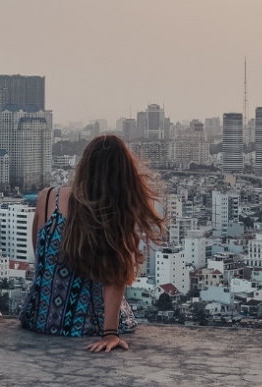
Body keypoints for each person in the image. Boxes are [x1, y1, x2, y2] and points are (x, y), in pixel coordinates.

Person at [19, 133, 166, 353]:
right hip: (90, 325)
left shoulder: (47, 198)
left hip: (39, 319)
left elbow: (39, 255)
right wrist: (110, 333)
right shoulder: (114, 213)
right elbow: (115, 275)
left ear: (84, 166)